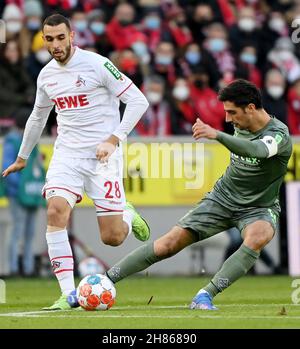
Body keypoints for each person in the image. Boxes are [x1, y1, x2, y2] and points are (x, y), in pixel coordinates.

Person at [2, 14, 150, 310]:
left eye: (60, 37)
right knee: (55, 211)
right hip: (67, 155)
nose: (55, 45)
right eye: (49, 39)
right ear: (43, 40)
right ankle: (69, 294)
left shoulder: (97, 64)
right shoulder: (46, 76)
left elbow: (138, 101)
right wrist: (22, 157)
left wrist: (113, 139)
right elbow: (37, 117)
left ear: (72, 36)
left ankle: (126, 214)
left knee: (112, 238)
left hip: (103, 155)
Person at [104, 79, 292, 310]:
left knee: (258, 236)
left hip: (259, 208)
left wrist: (217, 135)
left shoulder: (279, 134)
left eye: (232, 112)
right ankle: (104, 280)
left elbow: (258, 150)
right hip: (221, 199)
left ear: (251, 108)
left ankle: (205, 295)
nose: (227, 119)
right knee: (168, 244)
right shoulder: (241, 124)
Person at [2, 107, 45, 277]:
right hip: (18, 194)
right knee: (18, 230)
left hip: (30, 192)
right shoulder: (12, 140)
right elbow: (7, 168)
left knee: (29, 232)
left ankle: (27, 268)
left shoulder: (29, 139)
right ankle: (12, 268)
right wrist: (21, 188)